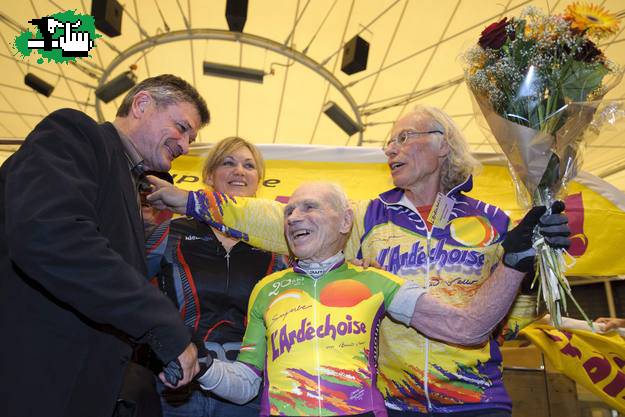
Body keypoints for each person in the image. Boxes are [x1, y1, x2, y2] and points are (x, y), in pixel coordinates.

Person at [147, 105, 571, 417]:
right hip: (392, 401)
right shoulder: (368, 215)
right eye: (389, 141)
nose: (391, 149)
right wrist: (192, 200)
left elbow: (507, 313)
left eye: (404, 138)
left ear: (443, 145)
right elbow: (279, 220)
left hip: (476, 399)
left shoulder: (494, 221)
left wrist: (536, 270)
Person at [191, 181, 563, 417]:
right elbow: (245, 384)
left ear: (345, 222)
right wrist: (203, 366)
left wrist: (514, 263)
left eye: (309, 207)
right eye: (289, 210)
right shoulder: (267, 289)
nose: (293, 217)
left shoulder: (376, 280)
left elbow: (465, 328)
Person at [0, 74, 209, 417]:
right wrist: (163, 325)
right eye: (182, 127)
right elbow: (52, 235)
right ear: (142, 104)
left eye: (192, 137)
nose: (186, 146)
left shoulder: (128, 182)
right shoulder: (75, 133)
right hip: (34, 382)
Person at [147, 137, 286, 417]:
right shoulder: (169, 233)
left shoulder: (281, 244)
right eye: (228, 163)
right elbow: (128, 293)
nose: (239, 171)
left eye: (249, 165)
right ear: (209, 176)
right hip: (177, 386)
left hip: (246, 389)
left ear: (259, 180)